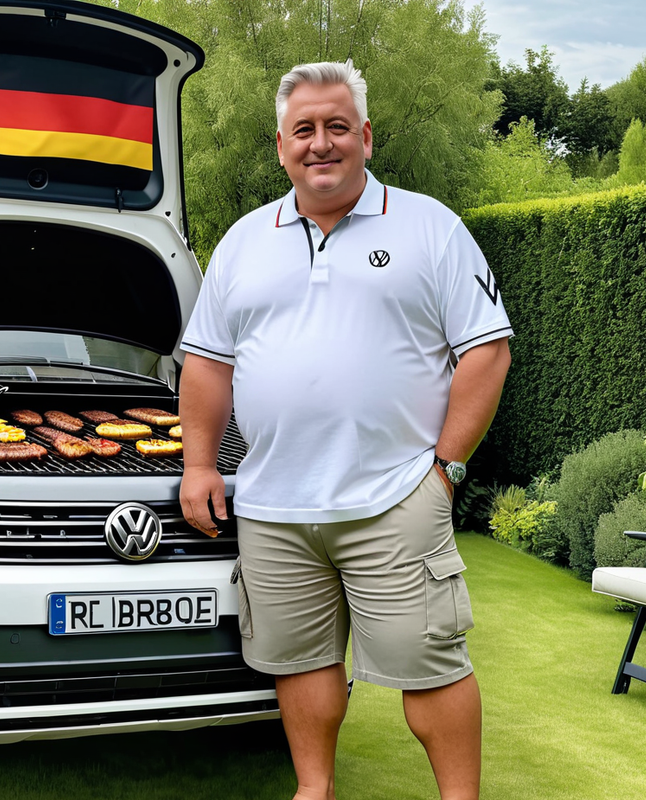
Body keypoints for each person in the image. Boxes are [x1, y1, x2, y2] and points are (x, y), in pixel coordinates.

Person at [178, 60, 512, 800]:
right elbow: (205, 365)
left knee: (430, 665)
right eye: (304, 130)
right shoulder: (241, 242)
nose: (320, 143)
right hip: (273, 506)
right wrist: (199, 465)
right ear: (280, 146)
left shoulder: (431, 227)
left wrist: (444, 471)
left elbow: (486, 352)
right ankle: (314, 790)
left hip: (396, 498)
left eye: (336, 127)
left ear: (365, 135)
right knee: (302, 666)